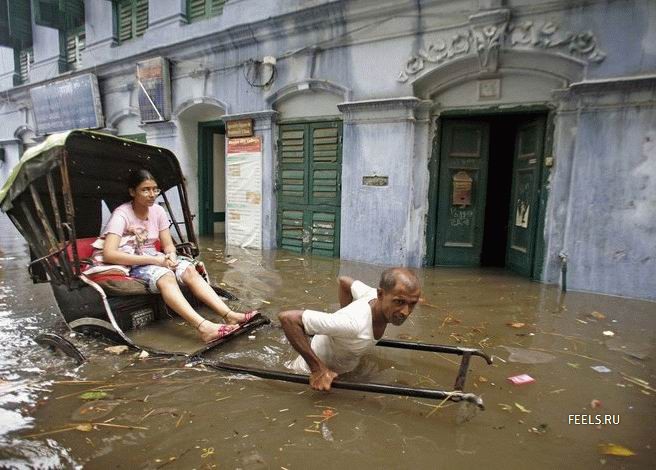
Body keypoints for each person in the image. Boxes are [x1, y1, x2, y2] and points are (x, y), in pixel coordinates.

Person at [100, 169, 255, 343]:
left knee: (189, 269)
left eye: (155, 189)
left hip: (156, 256)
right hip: (133, 261)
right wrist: (155, 261)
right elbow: (110, 254)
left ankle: (230, 315)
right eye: (145, 189)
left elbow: (167, 244)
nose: (152, 194)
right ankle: (204, 328)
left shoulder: (157, 211)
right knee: (165, 275)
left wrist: (171, 256)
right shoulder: (122, 214)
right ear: (132, 192)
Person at [278, 268, 421, 391]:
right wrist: (318, 370)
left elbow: (344, 281)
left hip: (345, 370)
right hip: (306, 376)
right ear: (381, 295)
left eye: (412, 304)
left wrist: (340, 323)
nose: (406, 312)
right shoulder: (353, 324)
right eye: (399, 302)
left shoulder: (371, 294)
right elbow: (288, 319)